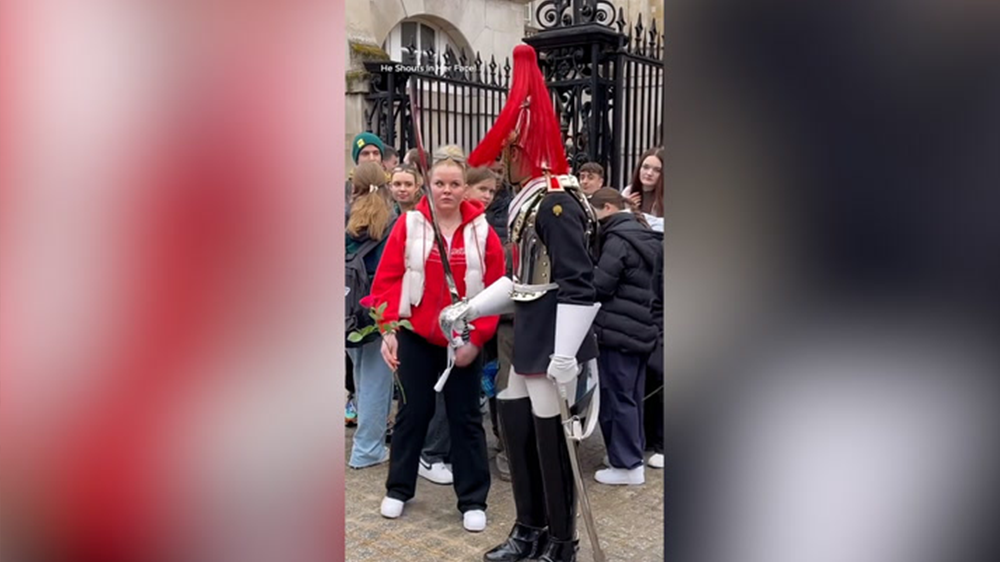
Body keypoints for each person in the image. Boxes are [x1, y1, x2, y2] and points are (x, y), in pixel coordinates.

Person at [439, 44, 602, 562]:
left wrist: (567, 352)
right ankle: (529, 529)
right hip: (531, 327)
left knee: (548, 437)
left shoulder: (554, 201)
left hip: (554, 332)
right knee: (514, 418)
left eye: (506, 152)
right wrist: (469, 307)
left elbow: (579, 283)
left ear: (519, 149)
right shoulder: (532, 198)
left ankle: (560, 540)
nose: (500, 164)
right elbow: (521, 279)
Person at [367, 154, 506, 533]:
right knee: (413, 414)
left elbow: (497, 289)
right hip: (417, 336)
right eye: (440, 183)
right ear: (428, 184)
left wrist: (477, 339)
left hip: (463, 339)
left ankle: (473, 498)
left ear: (465, 187)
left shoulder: (483, 231)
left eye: (454, 184)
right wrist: (387, 330)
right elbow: (387, 281)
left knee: (465, 418)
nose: (447, 190)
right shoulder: (409, 225)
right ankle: (398, 488)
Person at [588, 188, 661, 485]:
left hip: (617, 329)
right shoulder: (644, 234)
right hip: (642, 327)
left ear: (607, 208)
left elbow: (600, 285)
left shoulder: (617, 238)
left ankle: (626, 464)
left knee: (617, 396)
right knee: (631, 396)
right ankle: (630, 456)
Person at [346, 162, 397, 469]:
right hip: (379, 309)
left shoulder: (347, 219)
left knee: (361, 377)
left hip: (348, 309)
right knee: (378, 382)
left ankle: (365, 444)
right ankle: (367, 449)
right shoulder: (390, 221)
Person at [621, 147, 664, 232]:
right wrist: (627, 210)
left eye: (657, 170)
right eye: (645, 167)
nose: (649, 173)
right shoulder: (628, 192)